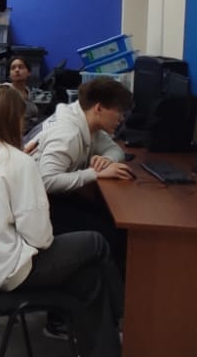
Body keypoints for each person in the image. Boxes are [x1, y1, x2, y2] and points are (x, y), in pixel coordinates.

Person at [0, 85, 124, 357]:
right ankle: (118, 325)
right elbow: (41, 239)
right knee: (96, 243)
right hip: (8, 272)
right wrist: (23, 176)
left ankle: (98, 354)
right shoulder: (18, 163)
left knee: (89, 275)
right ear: (14, 121)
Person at [28, 76, 134, 326]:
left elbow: (115, 150)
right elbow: (45, 181)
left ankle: (113, 311)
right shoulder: (68, 134)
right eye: (118, 112)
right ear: (99, 108)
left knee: (109, 221)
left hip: (50, 201)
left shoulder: (83, 120)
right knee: (110, 236)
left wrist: (107, 160)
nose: (121, 119)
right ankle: (106, 316)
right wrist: (94, 174)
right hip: (35, 210)